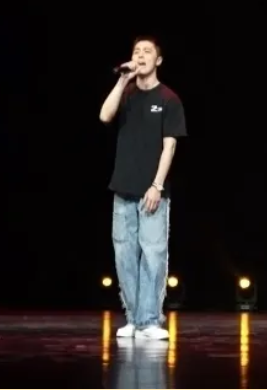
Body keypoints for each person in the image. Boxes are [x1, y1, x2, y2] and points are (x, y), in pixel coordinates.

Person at [99, 36, 188, 341]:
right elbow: (104, 115)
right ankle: (134, 318)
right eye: (136, 51)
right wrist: (123, 79)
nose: (140, 55)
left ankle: (150, 320)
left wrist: (157, 185)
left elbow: (170, 146)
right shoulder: (126, 94)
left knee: (152, 254)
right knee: (124, 255)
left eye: (147, 51)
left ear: (158, 60)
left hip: (152, 191)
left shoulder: (169, 99)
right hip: (122, 187)